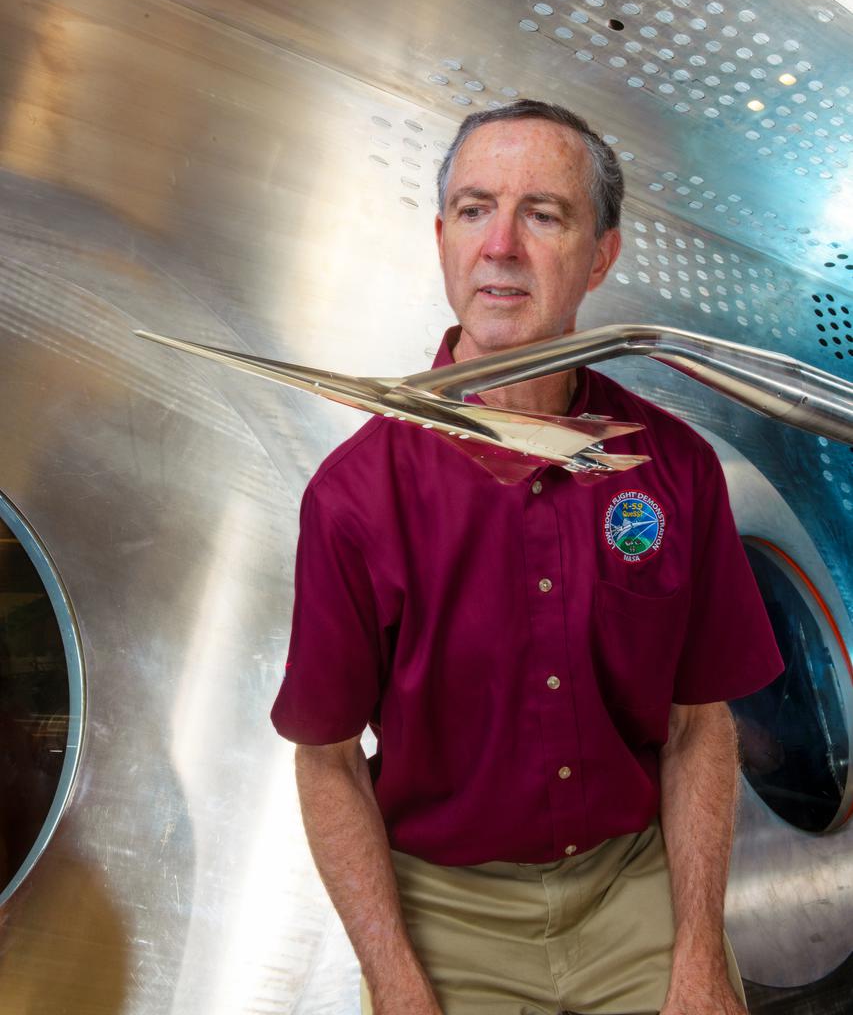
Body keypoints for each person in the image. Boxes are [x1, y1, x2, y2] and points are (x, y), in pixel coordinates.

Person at [271, 100, 784, 1015]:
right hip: (442, 913)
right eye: (473, 210)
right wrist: (395, 981)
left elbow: (699, 725)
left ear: (600, 254)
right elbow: (328, 762)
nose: (500, 243)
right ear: (441, 239)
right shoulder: (353, 497)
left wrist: (699, 951)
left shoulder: (675, 470)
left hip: (633, 889)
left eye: (542, 214)